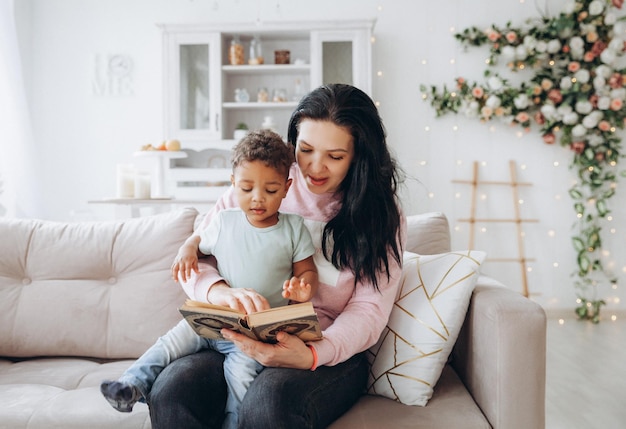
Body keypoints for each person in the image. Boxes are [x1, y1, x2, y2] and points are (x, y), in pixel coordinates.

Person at [148, 83, 406, 429]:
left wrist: (315, 353)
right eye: (306, 149)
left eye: (335, 156)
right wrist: (222, 293)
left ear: (359, 155)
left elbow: (369, 309)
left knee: (268, 403)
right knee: (171, 390)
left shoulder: (380, 215)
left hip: (327, 349)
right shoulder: (263, 182)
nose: (315, 167)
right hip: (238, 338)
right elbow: (199, 258)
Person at [100, 129, 319, 429]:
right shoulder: (224, 221)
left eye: (270, 190)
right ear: (232, 184)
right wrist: (187, 249)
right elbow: (197, 241)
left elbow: (307, 271)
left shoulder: (293, 228)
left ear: (286, 187)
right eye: (246, 188)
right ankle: (130, 385)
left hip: (251, 334)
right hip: (211, 319)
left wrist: (303, 287)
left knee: (241, 379)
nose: (258, 199)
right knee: (169, 344)